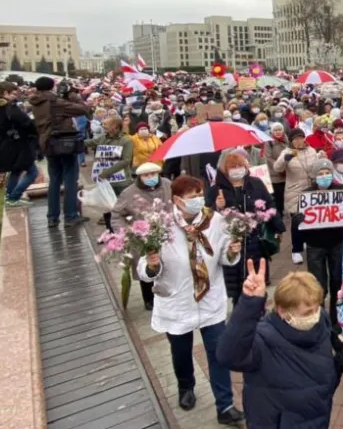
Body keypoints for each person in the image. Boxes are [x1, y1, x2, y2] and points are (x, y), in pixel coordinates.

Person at [137, 175, 244, 425]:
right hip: (177, 300)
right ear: (176, 200)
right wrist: (152, 267)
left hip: (210, 299)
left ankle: (225, 405)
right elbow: (145, 268)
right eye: (191, 196)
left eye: (200, 194)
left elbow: (224, 259)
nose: (198, 200)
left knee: (218, 352)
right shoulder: (160, 225)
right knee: (181, 350)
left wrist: (231, 252)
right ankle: (186, 387)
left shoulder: (215, 220)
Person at [217, 266, 338, 429]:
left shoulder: (321, 320)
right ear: (282, 311)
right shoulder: (262, 339)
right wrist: (249, 303)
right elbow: (228, 356)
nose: (314, 315)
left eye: (317, 308)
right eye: (307, 312)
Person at [208, 150, 284, 305]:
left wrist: (278, 227)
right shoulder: (217, 189)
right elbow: (207, 215)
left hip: (254, 240)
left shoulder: (255, 183)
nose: (237, 169)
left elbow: (269, 204)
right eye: (233, 166)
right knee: (238, 290)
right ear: (225, 169)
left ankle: (259, 316)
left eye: (240, 165)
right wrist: (217, 206)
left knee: (257, 282)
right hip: (231, 243)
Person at [112, 162, 172, 311]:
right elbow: (116, 214)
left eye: (153, 174)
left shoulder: (167, 184)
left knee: (169, 264)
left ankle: (169, 292)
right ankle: (149, 298)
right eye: (146, 175)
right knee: (146, 265)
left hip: (167, 232)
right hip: (143, 236)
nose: (151, 177)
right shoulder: (129, 192)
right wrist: (125, 232)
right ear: (139, 177)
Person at [31, 77, 90, 228]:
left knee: (55, 180)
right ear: (51, 87)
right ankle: (70, 216)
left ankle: (52, 217)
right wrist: (72, 95)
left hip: (47, 144)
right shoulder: (55, 102)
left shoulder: (36, 102)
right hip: (63, 144)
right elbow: (83, 109)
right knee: (70, 179)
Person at [299, 157, 343, 324]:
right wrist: (298, 218)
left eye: (328, 172)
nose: (325, 176)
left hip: (337, 242)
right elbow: (298, 223)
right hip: (315, 245)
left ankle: (336, 322)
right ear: (315, 176)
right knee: (317, 285)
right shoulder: (307, 194)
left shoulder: (341, 189)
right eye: (321, 173)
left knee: (337, 283)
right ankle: (320, 321)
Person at [0, 82, 39, 207]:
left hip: (2, 144)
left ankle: (9, 197)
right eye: (13, 93)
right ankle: (13, 197)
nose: (16, 96)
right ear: (5, 93)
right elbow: (26, 123)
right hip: (14, 144)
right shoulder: (8, 108)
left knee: (16, 171)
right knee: (32, 172)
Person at [276, 128, 320, 265]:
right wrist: (284, 160)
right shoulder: (286, 152)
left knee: (311, 218)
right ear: (291, 141)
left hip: (311, 190)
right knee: (297, 221)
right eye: (295, 139)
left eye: (301, 138)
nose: (299, 141)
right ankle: (296, 250)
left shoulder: (311, 150)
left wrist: (321, 158)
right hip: (294, 191)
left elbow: (317, 167)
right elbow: (277, 168)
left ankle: (307, 241)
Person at [88, 117, 135, 231]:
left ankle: (128, 230)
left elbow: (126, 161)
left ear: (116, 127)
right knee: (107, 206)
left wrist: (107, 172)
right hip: (106, 182)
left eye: (107, 124)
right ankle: (110, 231)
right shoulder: (103, 138)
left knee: (125, 206)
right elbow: (89, 143)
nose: (104, 126)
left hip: (122, 180)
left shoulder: (126, 140)